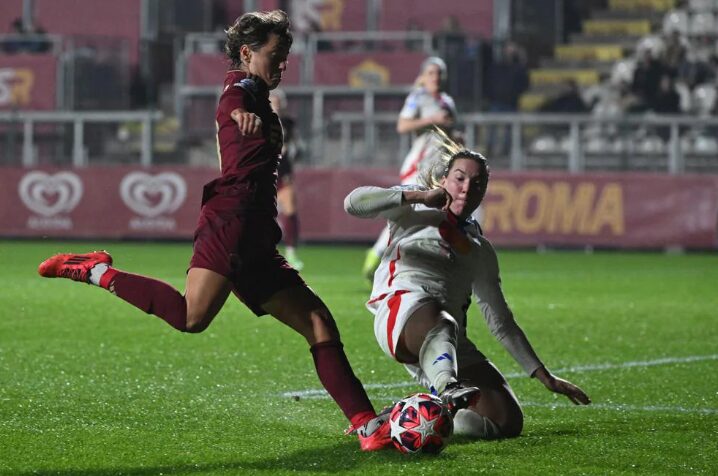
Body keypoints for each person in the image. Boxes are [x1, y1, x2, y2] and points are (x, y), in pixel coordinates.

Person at [37, 10, 392, 452]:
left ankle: (368, 427)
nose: (283, 65)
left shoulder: (259, 93)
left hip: (258, 231)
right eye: (276, 55)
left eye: (286, 56)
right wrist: (242, 113)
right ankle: (94, 271)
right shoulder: (240, 89)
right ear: (247, 53)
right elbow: (232, 100)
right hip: (232, 221)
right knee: (192, 318)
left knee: (319, 322)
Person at [345, 130, 590, 439]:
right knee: (441, 321)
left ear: (484, 192)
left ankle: (402, 419)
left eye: (477, 184)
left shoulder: (480, 249)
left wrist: (543, 375)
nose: (466, 189)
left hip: (448, 340)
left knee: (505, 421)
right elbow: (352, 203)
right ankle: (447, 389)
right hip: (401, 315)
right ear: (444, 180)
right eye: (459, 178)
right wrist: (418, 195)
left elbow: (501, 322)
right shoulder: (414, 209)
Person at [361, 56, 457, 281]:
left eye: (439, 73)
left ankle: (399, 261)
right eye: (431, 73)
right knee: (409, 213)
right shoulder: (418, 98)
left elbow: (447, 134)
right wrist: (431, 119)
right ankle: (379, 257)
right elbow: (402, 125)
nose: (436, 78)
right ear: (424, 77)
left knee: (429, 216)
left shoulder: (448, 102)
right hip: (418, 167)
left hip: (439, 170)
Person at [269, 88, 304, 270]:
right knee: (262, 216)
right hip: (265, 175)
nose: (277, 104)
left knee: (290, 209)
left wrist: (293, 150)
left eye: (279, 101)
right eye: (273, 100)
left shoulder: (289, 123)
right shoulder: (261, 120)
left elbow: (297, 148)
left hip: (283, 175)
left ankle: (291, 252)